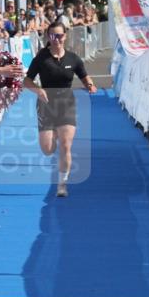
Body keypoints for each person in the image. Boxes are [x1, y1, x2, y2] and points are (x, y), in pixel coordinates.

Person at [23, 22, 97, 197]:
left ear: (65, 36)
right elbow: (26, 81)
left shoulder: (73, 59)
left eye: (59, 35)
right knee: (48, 149)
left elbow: (85, 77)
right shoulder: (41, 58)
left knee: (65, 146)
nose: (56, 39)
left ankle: (62, 184)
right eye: (52, 36)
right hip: (46, 105)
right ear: (48, 37)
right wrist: (38, 89)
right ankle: (53, 135)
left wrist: (90, 85)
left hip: (66, 105)